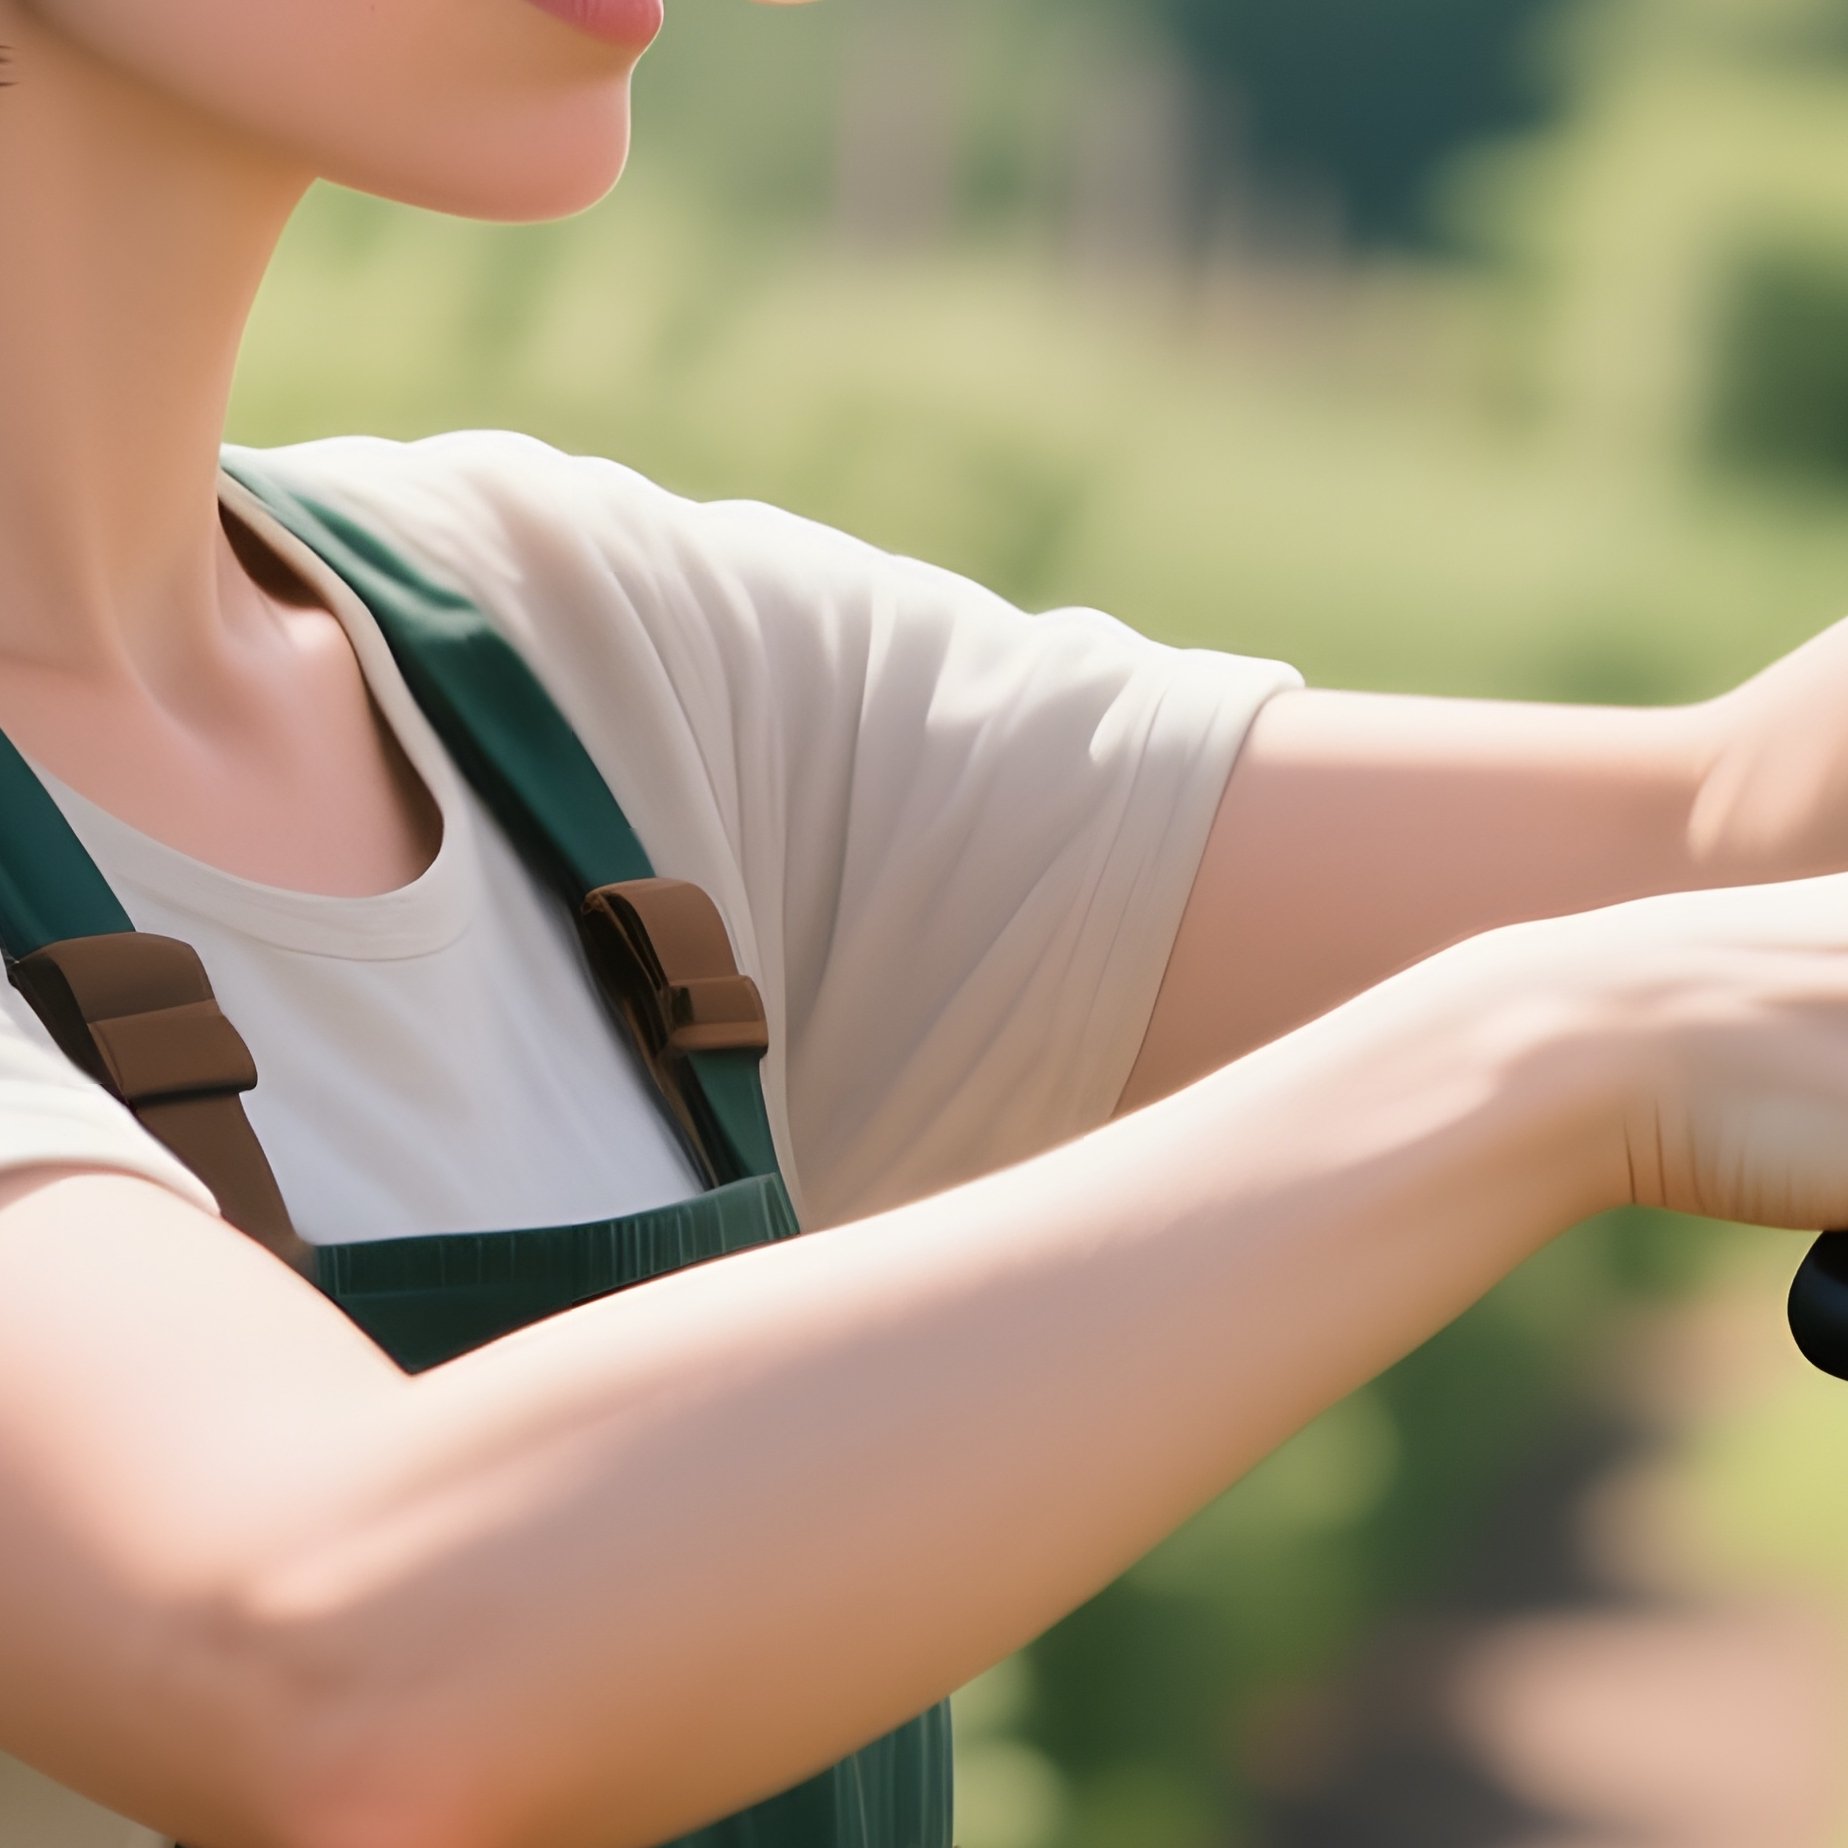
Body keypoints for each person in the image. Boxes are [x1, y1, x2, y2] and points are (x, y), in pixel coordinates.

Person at [5, 2, 1848, 1845]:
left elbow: (1723, 833)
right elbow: (332, 1666)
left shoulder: (567, 657)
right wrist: (1543, 1058)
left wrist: (1603, 1015)